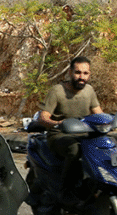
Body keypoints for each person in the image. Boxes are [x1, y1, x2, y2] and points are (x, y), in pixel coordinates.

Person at [29, 56, 103, 197]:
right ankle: (65, 190)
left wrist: (109, 123)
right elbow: (43, 117)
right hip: (60, 135)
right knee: (74, 149)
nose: (81, 77)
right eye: (78, 72)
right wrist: (58, 124)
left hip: (84, 135)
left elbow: (98, 114)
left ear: (89, 74)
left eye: (85, 73)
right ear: (70, 73)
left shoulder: (89, 91)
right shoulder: (57, 91)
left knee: (115, 142)